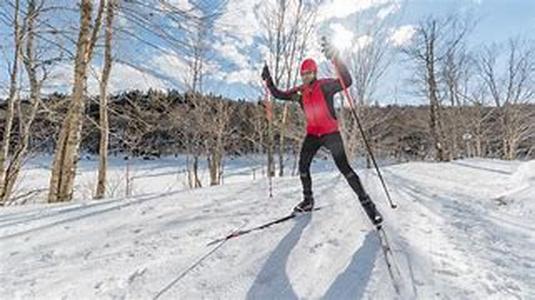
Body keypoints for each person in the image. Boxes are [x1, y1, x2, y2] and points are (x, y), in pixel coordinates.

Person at [260, 38, 383, 226]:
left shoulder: (324, 85)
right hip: (313, 135)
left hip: (331, 134)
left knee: (345, 169)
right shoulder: (300, 91)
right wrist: (269, 81)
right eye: (303, 74)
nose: (305, 76)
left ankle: (369, 206)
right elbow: (279, 94)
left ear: (314, 72)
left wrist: (336, 58)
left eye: (309, 73)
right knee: (303, 166)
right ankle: (308, 201)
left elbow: (347, 81)